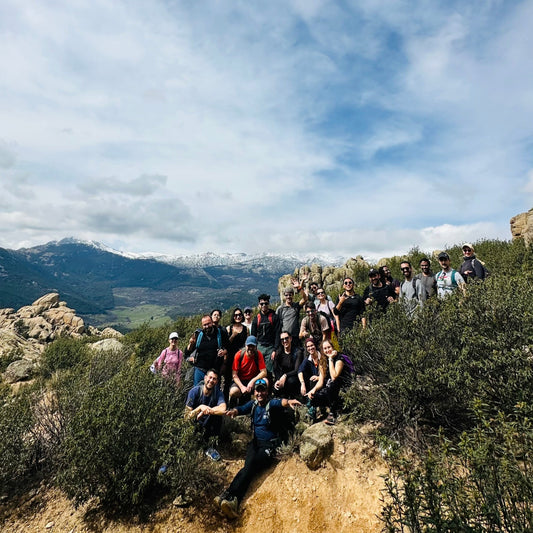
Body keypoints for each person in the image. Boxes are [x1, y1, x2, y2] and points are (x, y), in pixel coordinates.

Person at [215, 378, 301, 518]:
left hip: (270, 446)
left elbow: (281, 402)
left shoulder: (270, 404)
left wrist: (289, 402)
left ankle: (232, 497)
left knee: (252, 465)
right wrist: (234, 411)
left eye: (262, 390)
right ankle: (230, 497)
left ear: (267, 391)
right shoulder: (253, 404)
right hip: (255, 443)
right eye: (257, 390)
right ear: (254, 392)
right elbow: (242, 408)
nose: (259, 393)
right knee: (248, 467)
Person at [307, 339, 352, 425]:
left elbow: (334, 376)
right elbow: (320, 381)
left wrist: (330, 359)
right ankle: (322, 410)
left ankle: (333, 412)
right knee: (314, 398)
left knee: (333, 384)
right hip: (329, 390)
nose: (327, 350)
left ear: (333, 347)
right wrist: (313, 390)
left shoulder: (339, 358)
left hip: (341, 388)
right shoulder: (322, 361)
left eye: (329, 347)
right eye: (325, 348)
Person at [185, 369, 227, 460]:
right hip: (195, 424)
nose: (211, 381)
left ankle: (210, 447)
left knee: (217, 416)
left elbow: (223, 408)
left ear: (217, 382)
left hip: (208, 425)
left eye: (214, 379)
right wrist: (200, 408)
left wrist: (207, 410)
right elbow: (186, 417)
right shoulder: (194, 392)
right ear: (205, 378)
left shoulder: (218, 393)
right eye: (210, 377)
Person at [185, 315, 228, 386]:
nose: (207, 326)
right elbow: (187, 352)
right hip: (200, 369)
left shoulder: (220, 333)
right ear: (202, 326)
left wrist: (224, 352)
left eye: (208, 324)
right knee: (198, 392)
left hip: (215, 370)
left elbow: (228, 347)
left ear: (212, 322)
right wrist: (191, 345)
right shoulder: (198, 335)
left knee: (214, 393)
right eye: (205, 325)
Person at [229, 335, 267, 406]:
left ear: (256, 347)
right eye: (249, 346)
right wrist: (241, 387)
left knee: (265, 381)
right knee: (233, 391)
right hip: (241, 381)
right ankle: (234, 402)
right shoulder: (239, 355)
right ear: (245, 345)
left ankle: (260, 404)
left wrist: (252, 381)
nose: (251, 348)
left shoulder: (258, 355)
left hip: (253, 380)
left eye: (253, 346)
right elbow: (234, 375)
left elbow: (264, 372)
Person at [251, 294, 281, 376]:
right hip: (259, 347)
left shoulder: (274, 317)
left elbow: (277, 334)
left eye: (266, 303)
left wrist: (275, 349)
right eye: (262, 304)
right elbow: (253, 336)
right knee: (258, 370)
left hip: (270, 347)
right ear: (259, 305)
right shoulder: (256, 319)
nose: (264, 305)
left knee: (269, 371)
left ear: (268, 304)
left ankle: (269, 387)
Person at [223, 308, 249, 401]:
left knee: (241, 378)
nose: (238, 317)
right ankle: (226, 402)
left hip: (242, 358)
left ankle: (241, 402)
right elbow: (226, 345)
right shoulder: (228, 328)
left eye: (239, 315)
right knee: (228, 380)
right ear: (233, 316)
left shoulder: (245, 329)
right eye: (236, 315)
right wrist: (233, 335)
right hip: (231, 358)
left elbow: (247, 343)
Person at [298, 338, 326, 417]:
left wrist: (319, 377)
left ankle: (312, 408)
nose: (310, 348)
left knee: (313, 380)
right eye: (308, 347)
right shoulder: (308, 359)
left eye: (312, 345)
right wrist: (302, 383)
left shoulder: (322, 357)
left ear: (315, 346)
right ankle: (311, 405)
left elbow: (326, 372)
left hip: (324, 381)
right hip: (315, 385)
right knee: (310, 379)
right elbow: (300, 371)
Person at [276, 279, 308, 346]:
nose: (288, 297)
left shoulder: (296, 306)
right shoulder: (280, 309)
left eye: (290, 295)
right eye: (286, 295)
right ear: (284, 296)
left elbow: (305, 299)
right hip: (285, 338)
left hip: (295, 337)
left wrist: (299, 288)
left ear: (293, 295)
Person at [273, 331, 304, 398]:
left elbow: (296, 370)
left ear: (290, 339)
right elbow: (276, 369)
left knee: (291, 381)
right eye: (282, 339)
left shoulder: (297, 352)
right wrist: (278, 380)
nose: (285, 341)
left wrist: (285, 375)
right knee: (275, 388)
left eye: (286, 338)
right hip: (282, 378)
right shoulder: (278, 353)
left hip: (293, 376)